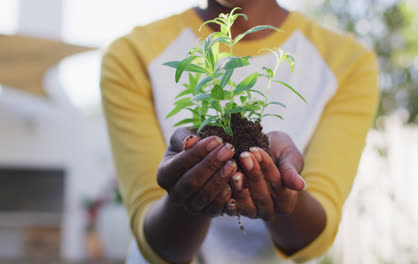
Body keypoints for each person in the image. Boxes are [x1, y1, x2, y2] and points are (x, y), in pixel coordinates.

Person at [100, 0, 379, 263]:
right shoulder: (132, 55)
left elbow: (315, 234)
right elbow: (154, 238)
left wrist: (284, 192)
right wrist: (188, 194)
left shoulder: (347, 63)